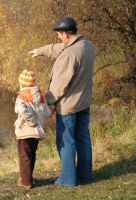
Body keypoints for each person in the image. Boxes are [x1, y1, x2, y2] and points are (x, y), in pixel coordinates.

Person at [28, 17, 95, 187]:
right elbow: (61, 48)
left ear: (65, 33)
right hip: (84, 103)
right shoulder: (86, 45)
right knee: (83, 139)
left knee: (66, 142)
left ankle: (68, 179)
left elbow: (58, 85)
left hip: (68, 107)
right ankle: (85, 176)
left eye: (59, 34)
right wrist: (40, 50)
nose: (58, 37)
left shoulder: (69, 56)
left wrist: (48, 103)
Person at [14, 69, 52, 189]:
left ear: (22, 83)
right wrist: (54, 108)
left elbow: (22, 110)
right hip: (36, 132)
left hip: (25, 131)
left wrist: (31, 121)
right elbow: (46, 112)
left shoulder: (21, 97)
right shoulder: (40, 96)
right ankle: (28, 177)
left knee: (24, 155)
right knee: (31, 154)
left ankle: (26, 182)